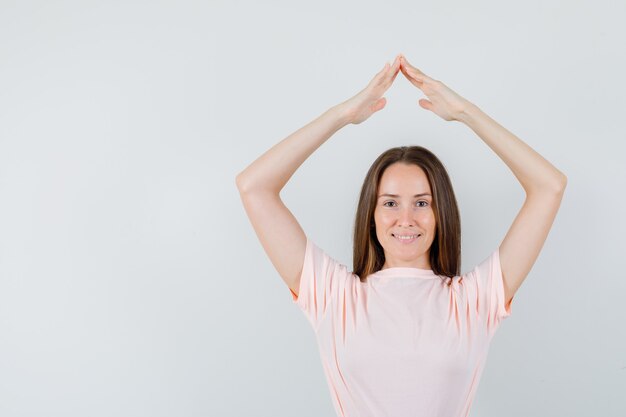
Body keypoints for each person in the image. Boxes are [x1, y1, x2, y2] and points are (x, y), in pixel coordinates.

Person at [235, 53, 567, 417]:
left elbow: (549, 186)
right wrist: (342, 116)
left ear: (442, 215)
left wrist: (466, 113)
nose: (406, 219)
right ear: (372, 216)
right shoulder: (334, 295)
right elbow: (254, 187)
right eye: (390, 204)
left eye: (422, 203)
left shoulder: (475, 300)